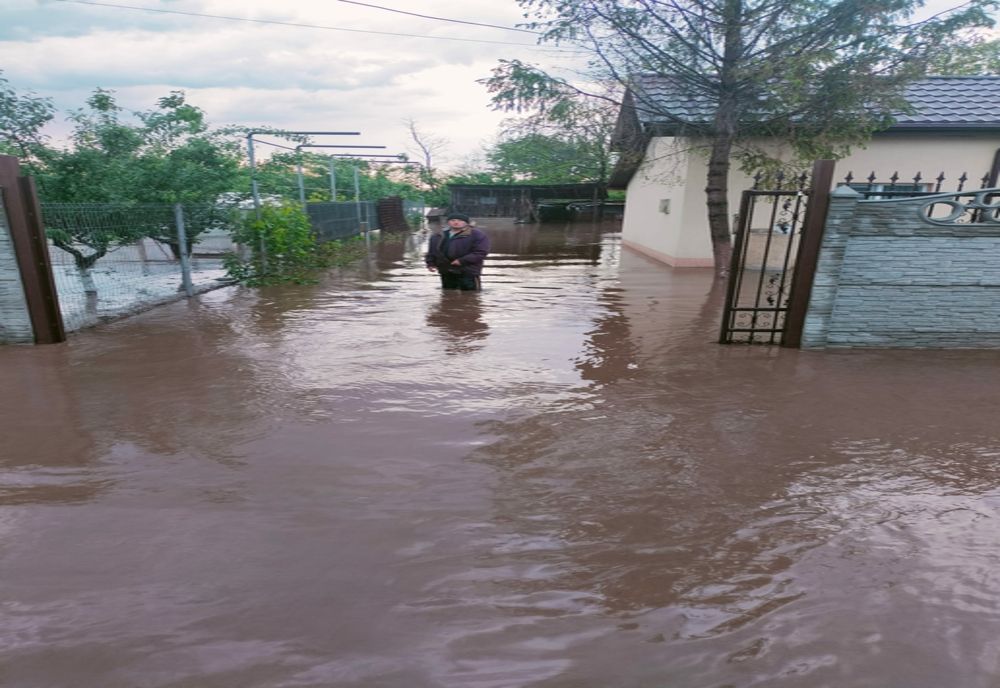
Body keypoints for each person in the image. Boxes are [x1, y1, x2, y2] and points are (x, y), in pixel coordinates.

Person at [425, 212, 490, 291]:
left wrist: (461, 261)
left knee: (471, 294)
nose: (456, 222)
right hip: (446, 269)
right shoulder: (438, 235)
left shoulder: (477, 235)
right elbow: (432, 251)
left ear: (466, 223)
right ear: (448, 222)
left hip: (468, 270)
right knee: (448, 293)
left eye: (460, 220)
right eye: (453, 220)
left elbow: (481, 252)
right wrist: (430, 263)